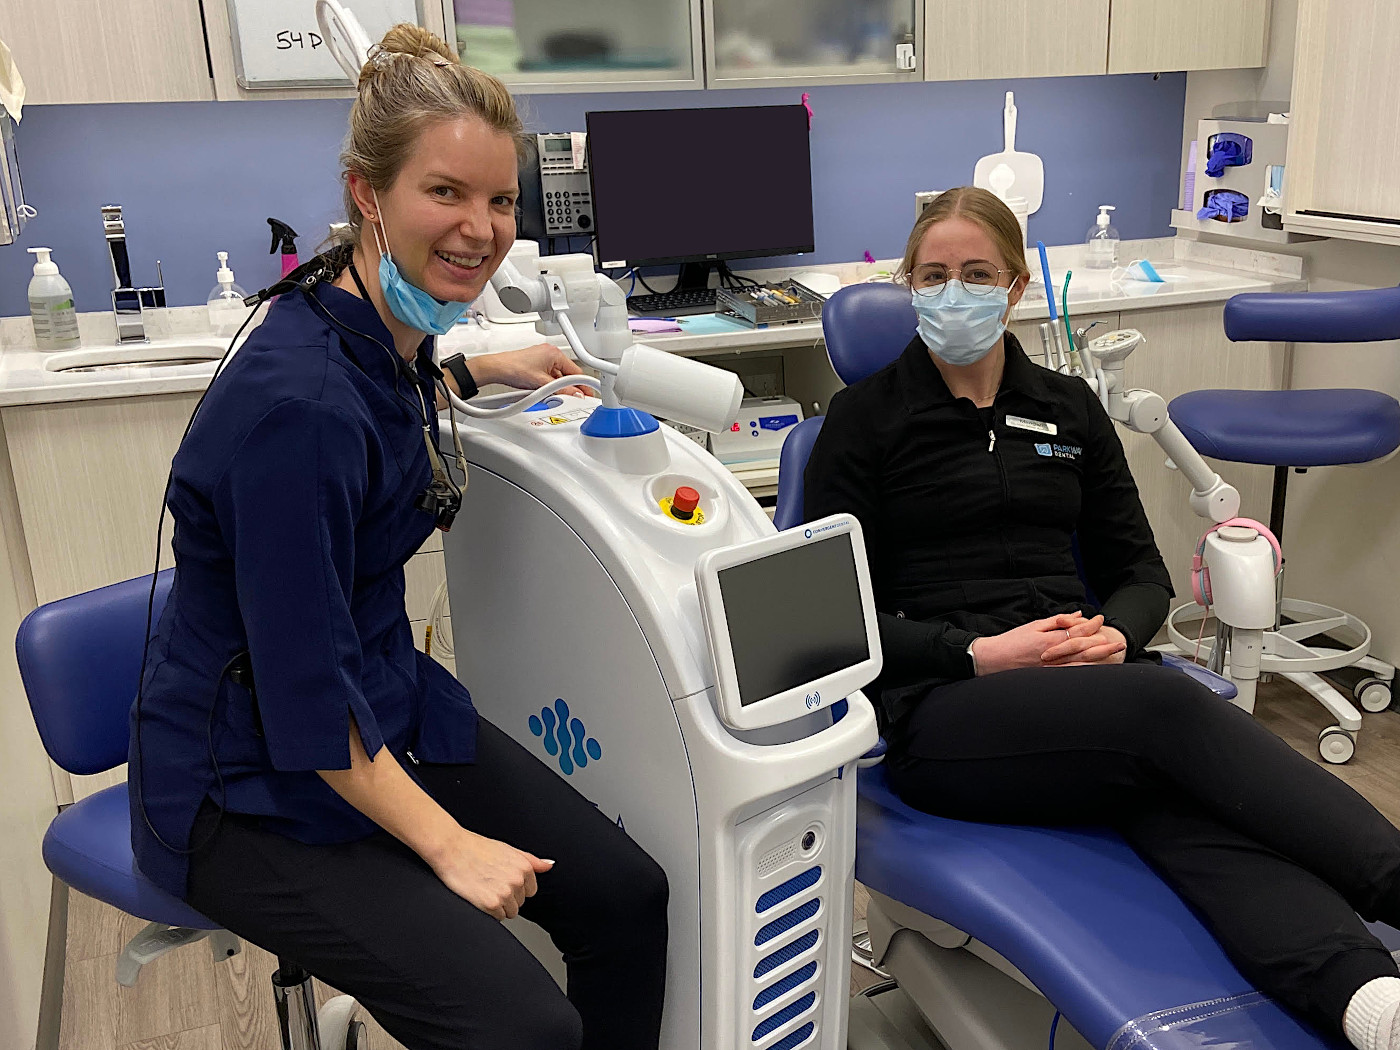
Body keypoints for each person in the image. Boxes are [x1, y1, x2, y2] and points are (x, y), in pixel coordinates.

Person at [130, 25, 667, 1050]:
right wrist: (451, 845)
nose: (480, 227)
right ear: (366, 193)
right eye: (445, 193)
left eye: (500, 199)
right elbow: (301, 690)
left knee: (625, 898)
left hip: (371, 696)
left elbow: (378, 418)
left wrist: (474, 372)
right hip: (244, 782)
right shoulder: (298, 408)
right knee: (523, 1028)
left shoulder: (381, 333)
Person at [804, 186, 1400, 1050]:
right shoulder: (863, 421)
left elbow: (1139, 572)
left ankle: (1363, 999)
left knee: (1184, 804)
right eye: (932, 276)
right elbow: (833, 615)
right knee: (1166, 711)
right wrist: (976, 654)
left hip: (1092, 694)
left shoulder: (1068, 408)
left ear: (1012, 287)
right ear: (908, 286)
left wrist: (1119, 631)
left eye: (975, 273)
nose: (952, 291)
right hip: (946, 712)